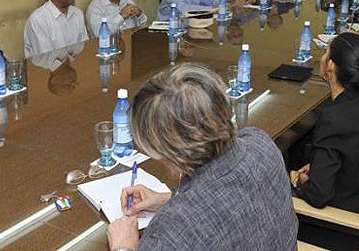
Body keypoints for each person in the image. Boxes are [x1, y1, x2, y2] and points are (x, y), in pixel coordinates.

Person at [106, 63, 298, 250]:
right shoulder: (259, 141)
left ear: (171, 154)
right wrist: (168, 198)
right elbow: (233, 198)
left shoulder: (171, 233)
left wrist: (123, 246)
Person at [291, 33, 359, 250]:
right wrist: (317, 169)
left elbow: (318, 195)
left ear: (331, 66)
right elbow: (353, 155)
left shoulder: (334, 116)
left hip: (343, 229)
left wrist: (301, 180)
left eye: (325, 53)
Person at [24, 0, 88, 58]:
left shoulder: (77, 13)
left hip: (75, 65)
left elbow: (84, 48)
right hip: (45, 68)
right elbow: (46, 58)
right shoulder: (38, 20)